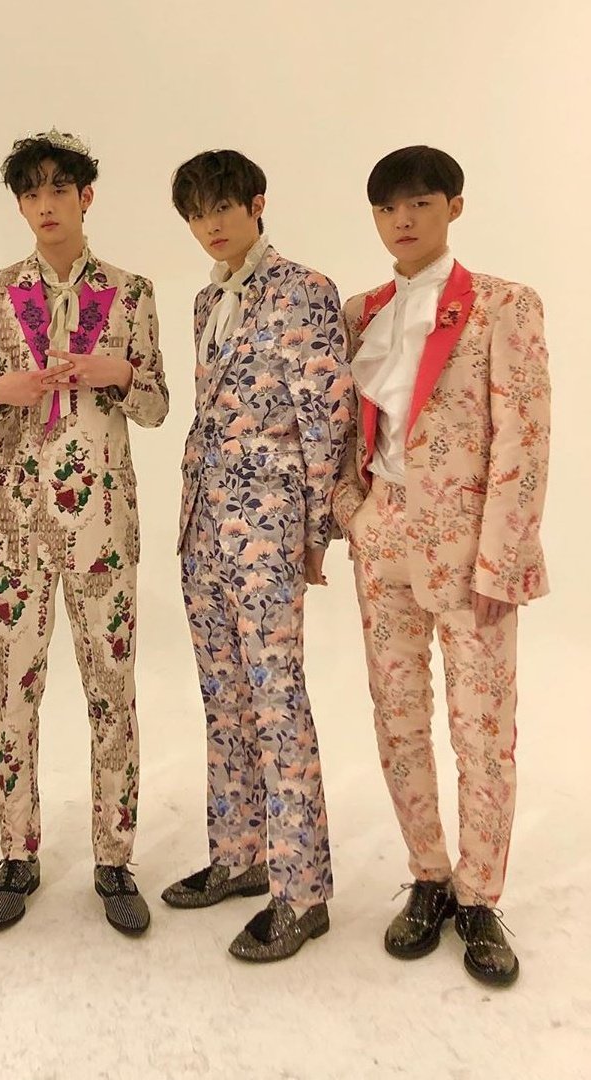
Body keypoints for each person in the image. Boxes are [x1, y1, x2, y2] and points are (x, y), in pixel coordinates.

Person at [332, 145, 550, 987]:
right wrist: (351, 512)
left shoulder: (504, 304)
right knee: (397, 719)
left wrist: (503, 562)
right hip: (382, 542)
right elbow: (341, 427)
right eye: (389, 208)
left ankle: (480, 896)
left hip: (471, 553)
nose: (403, 220)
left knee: (482, 730)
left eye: (420, 203)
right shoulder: (362, 311)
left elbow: (524, 440)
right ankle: (427, 876)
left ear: (454, 207)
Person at [0, 130, 168, 937]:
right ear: (20, 204)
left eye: (58, 190)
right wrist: (0, 390)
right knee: (14, 691)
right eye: (31, 193)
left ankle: (115, 858)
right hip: (13, 525)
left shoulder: (133, 292)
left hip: (102, 523)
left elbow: (157, 405)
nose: (45, 205)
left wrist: (122, 374)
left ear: (86, 196)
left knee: (113, 690)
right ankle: (17, 852)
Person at [162, 149, 352, 962]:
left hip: (270, 525)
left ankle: (303, 892)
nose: (210, 224)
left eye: (222, 207)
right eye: (197, 213)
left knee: (277, 701)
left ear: (256, 204)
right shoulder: (207, 299)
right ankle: (239, 855)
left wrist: (314, 533)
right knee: (223, 696)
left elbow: (326, 418)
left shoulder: (305, 289)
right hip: (203, 524)